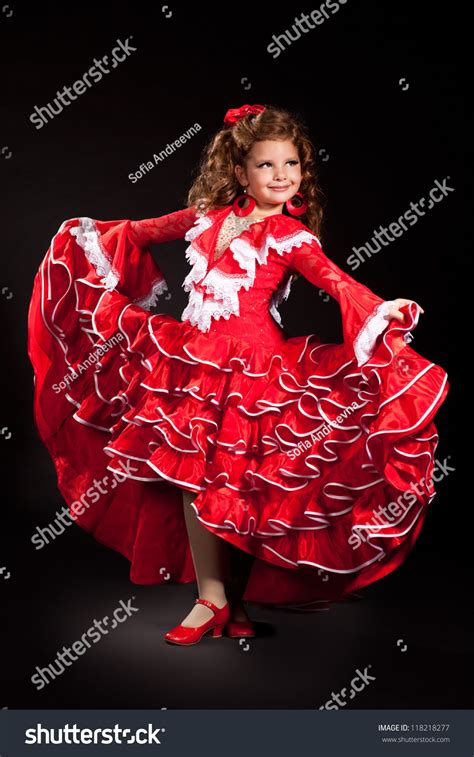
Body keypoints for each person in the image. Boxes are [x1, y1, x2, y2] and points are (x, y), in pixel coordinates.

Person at [27, 103, 449, 646]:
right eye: (268, 166)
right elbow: (136, 232)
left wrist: (381, 307)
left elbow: (337, 283)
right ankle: (215, 600)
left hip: (256, 378)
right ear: (239, 171)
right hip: (195, 368)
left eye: (292, 165)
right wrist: (89, 238)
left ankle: (225, 602)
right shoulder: (208, 217)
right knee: (192, 481)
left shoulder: (290, 237)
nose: (282, 176)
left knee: (243, 490)